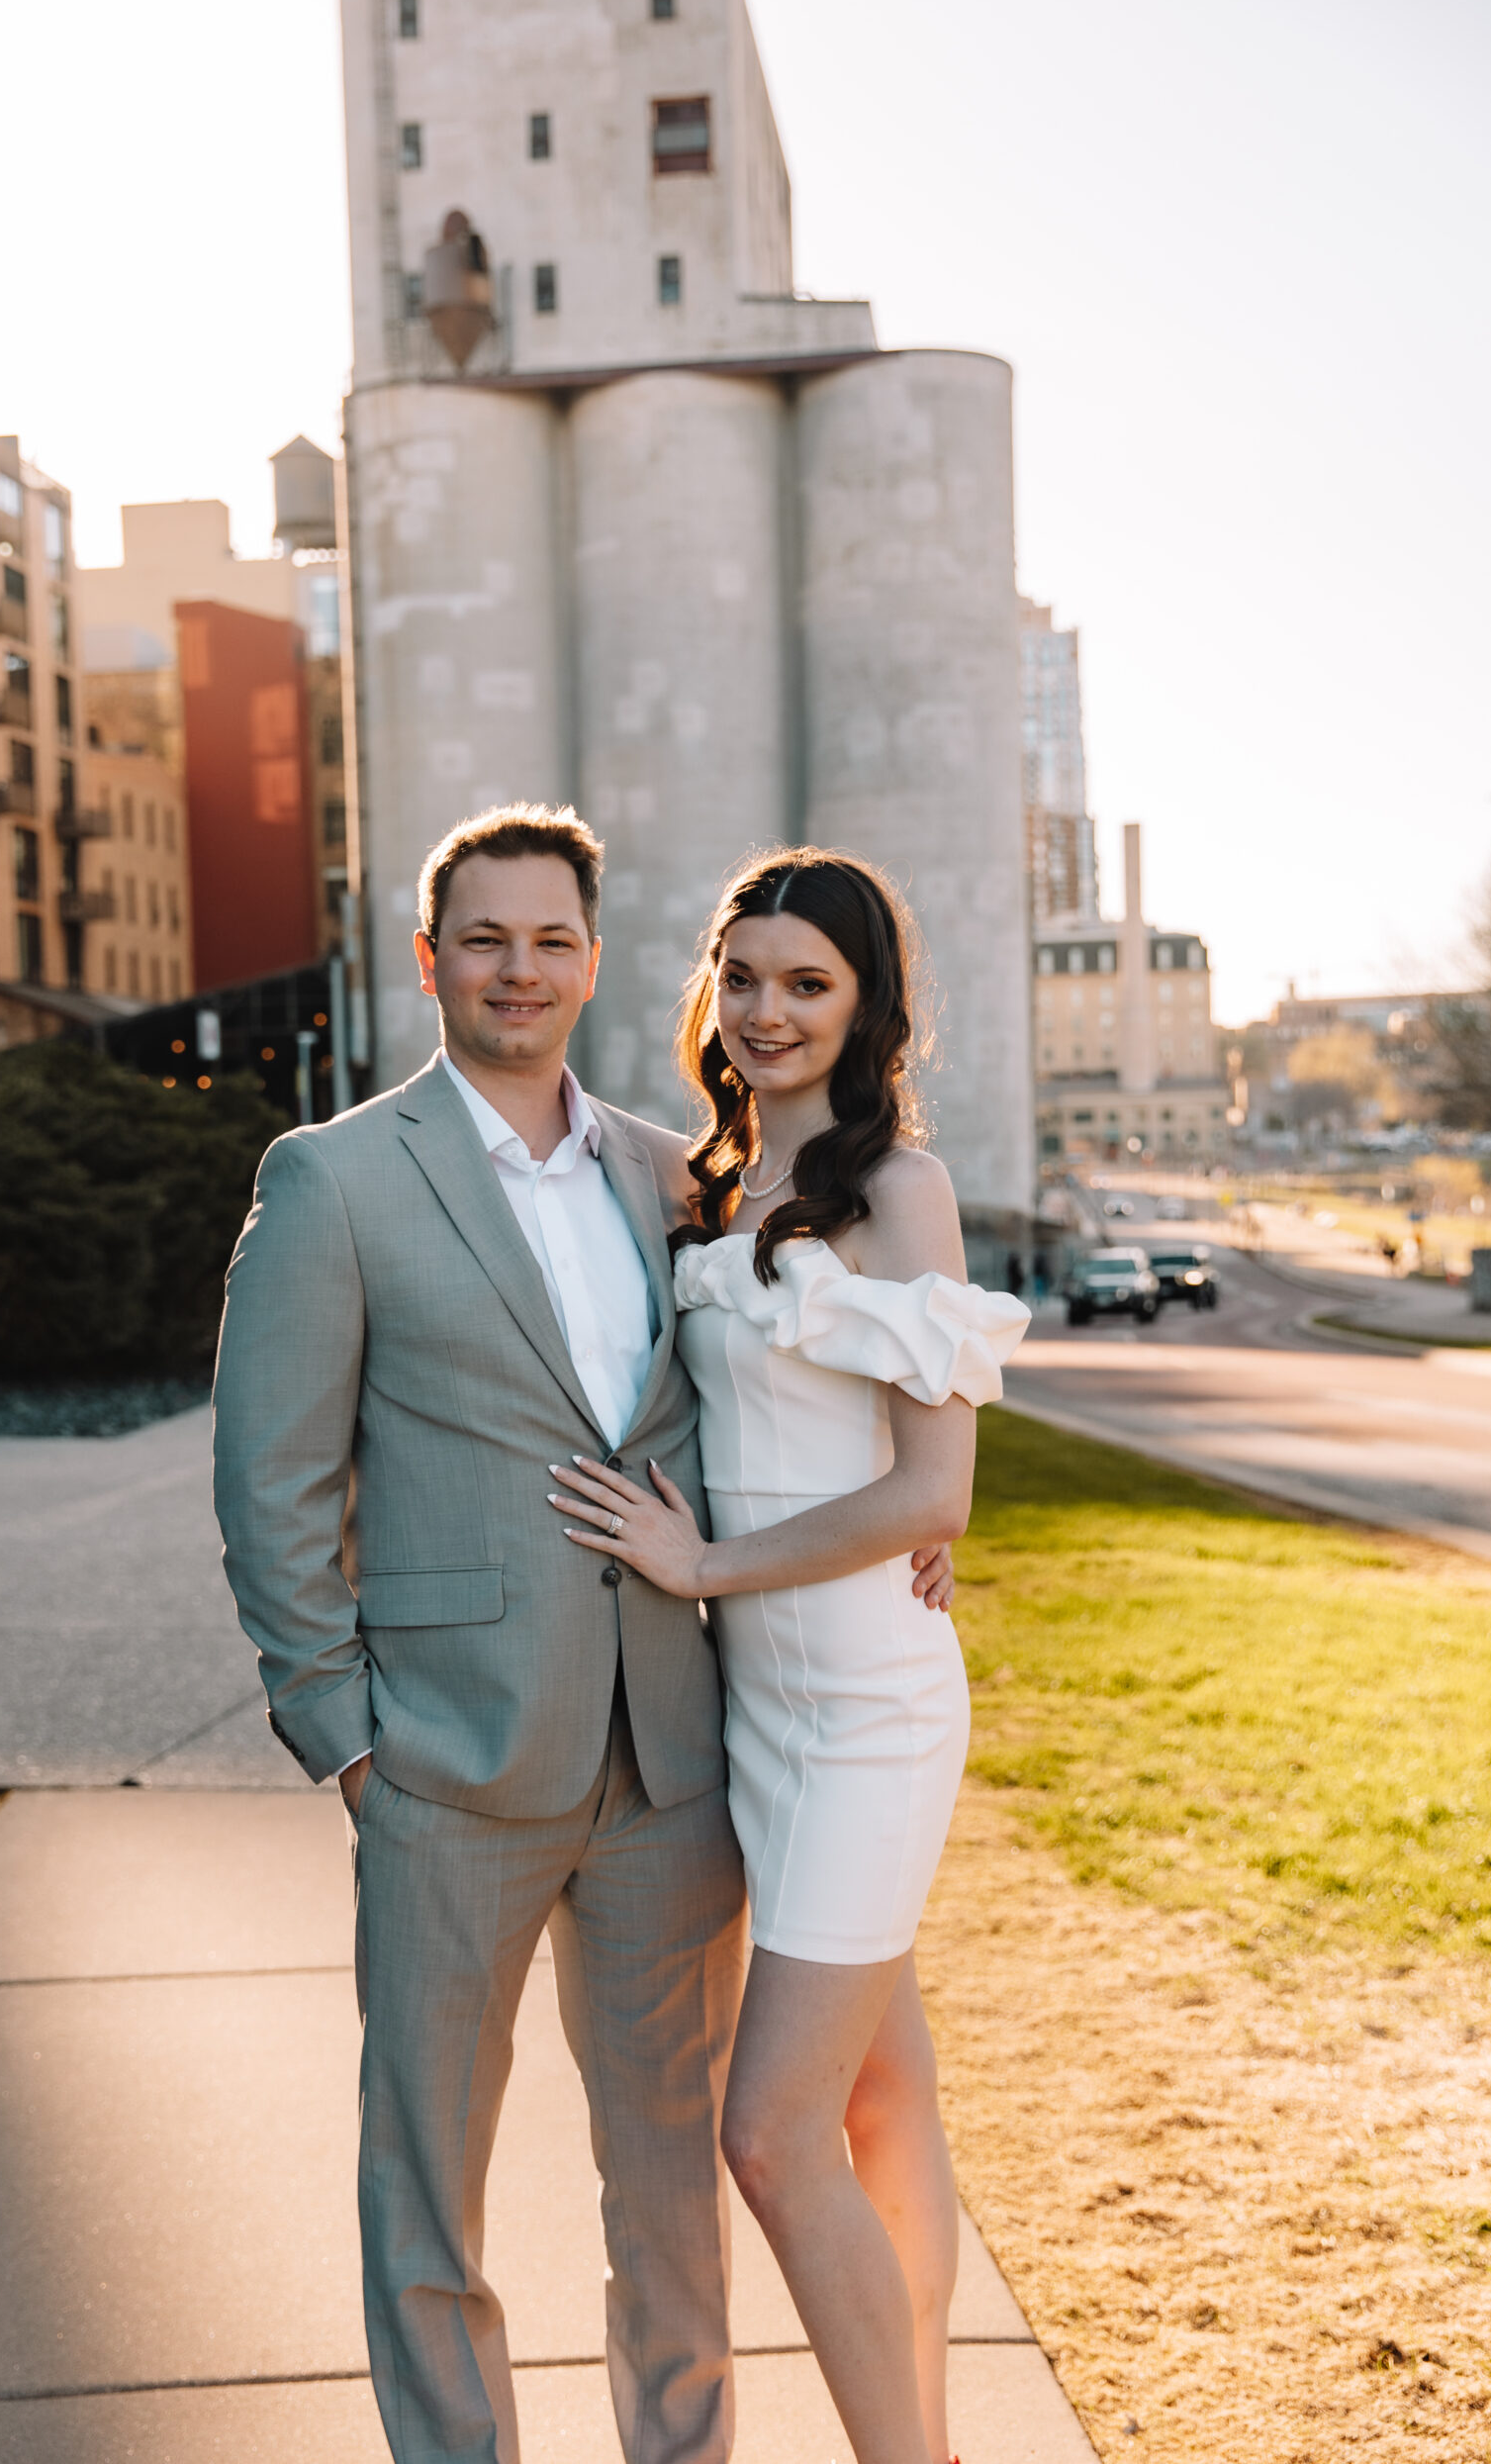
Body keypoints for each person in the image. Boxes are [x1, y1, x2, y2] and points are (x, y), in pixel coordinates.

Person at [212, 805, 957, 2464]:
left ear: (598, 962)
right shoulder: (331, 1178)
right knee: (428, 2191)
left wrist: (908, 1527)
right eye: (486, 939)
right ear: (432, 960)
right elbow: (271, 1488)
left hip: (673, 1766)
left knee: (673, 2188)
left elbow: (751, 1409)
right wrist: (346, 1741)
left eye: (552, 941)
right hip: (447, 1764)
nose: (520, 970)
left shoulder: (667, 1173)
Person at [548, 847, 1029, 2464]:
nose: (769, 1011)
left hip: (874, 1712)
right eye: (743, 977)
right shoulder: (702, 1188)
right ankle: (933, 2425)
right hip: (755, 1711)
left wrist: (703, 1560)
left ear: (865, 1004)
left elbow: (929, 1488)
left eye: (808, 983)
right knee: (884, 2103)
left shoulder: (902, 1190)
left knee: (771, 2132)